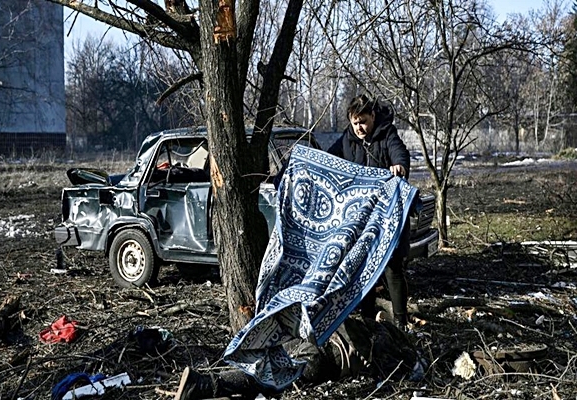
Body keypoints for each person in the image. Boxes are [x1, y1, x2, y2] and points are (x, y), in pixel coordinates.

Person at [174, 316, 417, 400]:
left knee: (264, 369)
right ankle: (204, 385)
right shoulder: (385, 344)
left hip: (313, 343)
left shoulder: (361, 325)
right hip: (326, 358)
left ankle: (206, 384)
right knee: (267, 377)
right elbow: (391, 371)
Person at [327, 94, 411, 331]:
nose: (359, 128)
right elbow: (330, 159)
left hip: (388, 215)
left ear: (373, 116)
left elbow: (399, 153)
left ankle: (401, 322)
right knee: (362, 264)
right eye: (355, 123)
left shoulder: (387, 134)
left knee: (392, 265)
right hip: (361, 217)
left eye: (363, 121)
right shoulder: (347, 139)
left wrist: (399, 166)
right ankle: (367, 318)